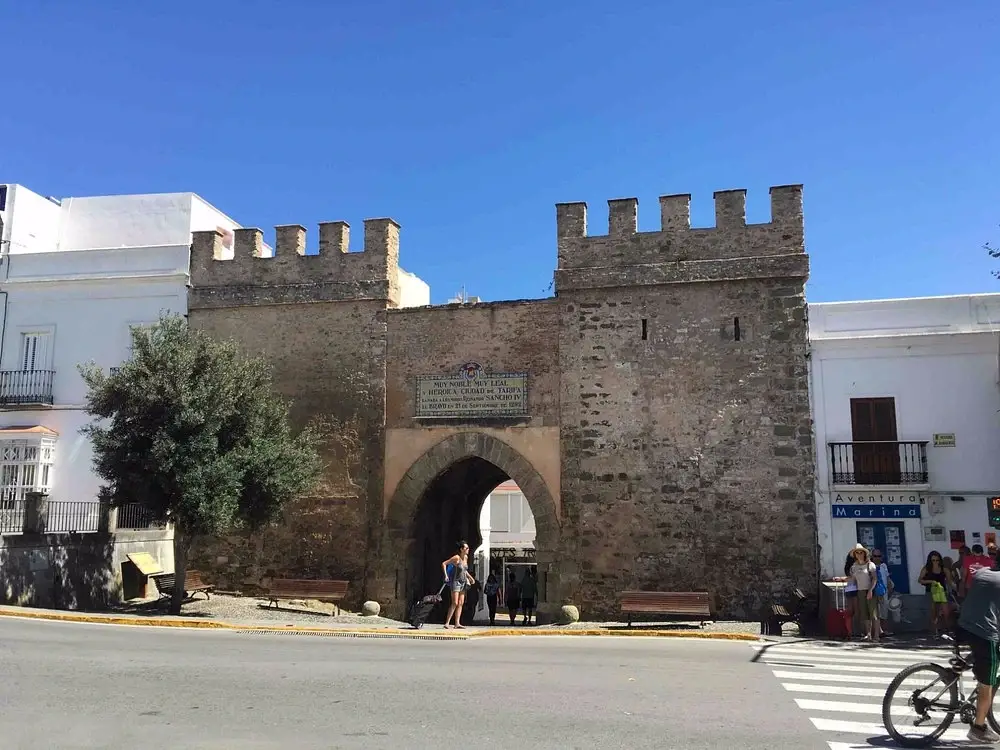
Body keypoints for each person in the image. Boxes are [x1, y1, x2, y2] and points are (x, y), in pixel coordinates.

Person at [956, 546, 1000, 743]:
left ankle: (956, 669)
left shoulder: (983, 572)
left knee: (979, 656)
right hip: (984, 631)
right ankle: (978, 727)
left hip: (963, 624)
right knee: (987, 682)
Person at [848, 543, 881, 642]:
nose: (859, 554)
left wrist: (870, 590)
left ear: (864, 553)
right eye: (857, 553)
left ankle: (876, 635)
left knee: (873, 613)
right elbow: (853, 579)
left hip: (870, 590)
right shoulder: (854, 567)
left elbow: (875, 578)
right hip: (860, 591)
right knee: (864, 614)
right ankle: (868, 634)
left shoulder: (870, 565)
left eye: (861, 552)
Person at [441, 541, 475, 629]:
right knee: (455, 602)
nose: (468, 549)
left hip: (463, 582)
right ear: (461, 549)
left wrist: (470, 578)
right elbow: (444, 564)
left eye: (468, 548)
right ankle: (447, 622)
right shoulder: (456, 558)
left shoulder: (466, 558)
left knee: (461, 603)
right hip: (456, 582)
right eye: (466, 548)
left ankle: (457, 623)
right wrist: (446, 575)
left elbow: (464, 570)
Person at [918, 550, 949, 638]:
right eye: (933, 560)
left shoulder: (944, 569)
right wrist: (930, 581)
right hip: (931, 592)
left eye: (937, 560)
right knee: (933, 612)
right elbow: (920, 580)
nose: (935, 562)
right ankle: (935, 631)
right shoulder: (926, 569)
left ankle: (946, 629)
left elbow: (950, 582)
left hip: (942, 592)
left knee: (945, 612)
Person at [871, 549, 894, 637]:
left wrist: (889, 587)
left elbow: (887, 577)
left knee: (884, 612)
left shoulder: (884, 566)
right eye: (875, 556)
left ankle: (884, 630)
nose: (877, 558)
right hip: (874, 591)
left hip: (884, 591)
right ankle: (878, 631)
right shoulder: (870, 566)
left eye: (879, 556)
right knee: (876, 612)